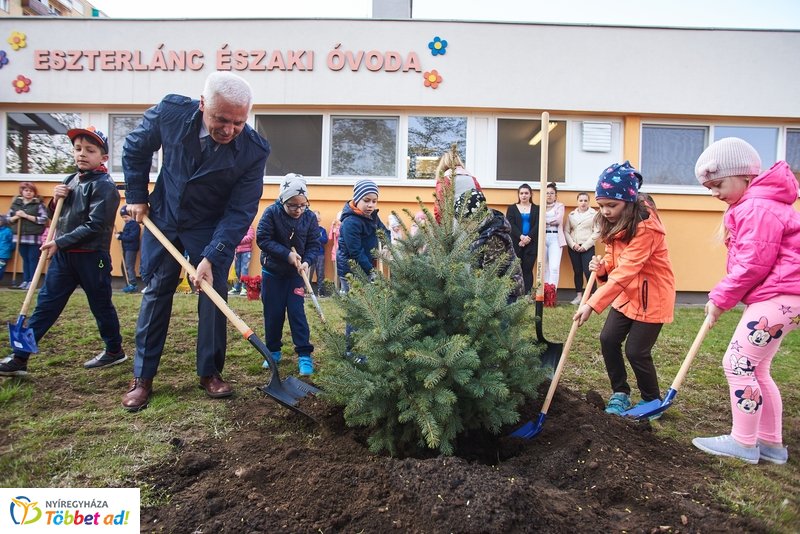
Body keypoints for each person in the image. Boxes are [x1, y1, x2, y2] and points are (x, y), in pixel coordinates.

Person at [120, 72, 270, 412]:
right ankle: (143, 377)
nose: (229, 130)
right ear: (203, 104)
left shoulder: (253, 150)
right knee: (157, 291)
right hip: (165, 215)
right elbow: (135, 148)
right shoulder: (171, 113)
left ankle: (210, 372)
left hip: (210, 225)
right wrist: (136, 195)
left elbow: (241, 210)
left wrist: (212, 255)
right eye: (221, 119)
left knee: (213, 294)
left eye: (238, 122)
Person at [689, 138, 800, 465]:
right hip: (785, 297)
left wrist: (720, 298)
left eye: (718, 184)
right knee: (758, 367)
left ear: (744, 176)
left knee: (737, 362)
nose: (714, 193)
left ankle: (743, 442)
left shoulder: (756, 207)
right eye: (709, 188)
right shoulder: (759, 203)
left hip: (781, 296)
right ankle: (770, 444)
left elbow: (753, 264)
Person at [0, 127, 125, 376]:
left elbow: (95, 225)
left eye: (90, 150)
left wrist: (61, 242)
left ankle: (114, 350)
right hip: (64, 256)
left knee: (101, 305)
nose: (82, 154)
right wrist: (54, 201)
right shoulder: (70, 180)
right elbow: (56, 216)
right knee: (46, 304)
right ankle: (20, 356)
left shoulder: (105, 186)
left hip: (92, 257)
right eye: (78, 149)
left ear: (103, 157)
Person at [573, 162, 675, 416]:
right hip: (626, 293)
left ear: (628, 201)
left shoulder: (647, 228)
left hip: (652, 297)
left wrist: (592, 303)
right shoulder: (615, 221)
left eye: (611, 205)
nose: (605, 211)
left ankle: (651, 400)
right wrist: (602, 267)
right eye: (601, 205)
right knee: (608, 339)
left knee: (636, 351)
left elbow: (628, 269)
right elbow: (614, 258)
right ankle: (620, 393)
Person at [256, 174, 319, 376]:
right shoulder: (271, 213)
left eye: (302, 205)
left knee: (297, 313)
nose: (298, 210)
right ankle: (273, 351)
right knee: (273, 314)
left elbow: (314, 245)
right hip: (272, 273)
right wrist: (287, 255)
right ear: (283, 200)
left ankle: (304, 354)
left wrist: (307, 262)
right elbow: (263, 239)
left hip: (295, 276)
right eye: (292, 205)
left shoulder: (309, 217)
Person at [337, 179, 388, 357]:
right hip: (351, 270)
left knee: (367, 307)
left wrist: (387, 244)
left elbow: (384, 231)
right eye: (366, 200)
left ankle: (365, 347)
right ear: (357, 199)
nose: (371, 205)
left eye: (374, 201)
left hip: (366, 268)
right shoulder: (351, 222)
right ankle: (352, 351)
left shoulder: (372, 216)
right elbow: (356, 252)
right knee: (356, 311)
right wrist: (372, 272)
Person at [455, 176, 524, 303]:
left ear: (476, 217)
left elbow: (490, 273)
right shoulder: (481, 230)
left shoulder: (494, 236)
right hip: (490, 291)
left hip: (504, 292)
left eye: (465, 221)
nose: (463, 226)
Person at [5, 182, 48, 290]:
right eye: (26, 190)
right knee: (25, 259)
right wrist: (16, 216)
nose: (28, 193)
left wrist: (26, 216)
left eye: (31, 191)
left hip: (34, 237)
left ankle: (32, 281)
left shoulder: (38, 204)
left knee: (33, 259)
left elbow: (43, 219)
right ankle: (25, 280)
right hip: (19, 237)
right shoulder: (16, 204)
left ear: (34, 193)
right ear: (22, 192)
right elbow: (8, 219)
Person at [565, 192, 599, 305]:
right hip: (574, 247)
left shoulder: (594, 214)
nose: (583, 203)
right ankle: (579, 296)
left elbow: (597, 231)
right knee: (577, 271)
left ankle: (592, 296)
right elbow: (566, 231)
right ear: (577, 202)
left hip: (587, 247)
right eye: (581, 200)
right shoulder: (571, 215)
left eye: (585, 200)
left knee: (589, 272)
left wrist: (585, 246)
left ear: (588, 202)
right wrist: (572, 244)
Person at [505, 183, 539, 295]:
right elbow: (510, 224)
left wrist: (528, 237)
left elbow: (538, 225)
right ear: (518, 195)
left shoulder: (536, 209)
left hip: (531, 243)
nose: (524, 195)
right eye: (521, 193)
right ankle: (514, 295)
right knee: (514, 270)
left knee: (527, 270)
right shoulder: (512, 208)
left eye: (526, 193)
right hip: (516, 243)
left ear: (530, 194)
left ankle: (527, 295)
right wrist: (521, 237)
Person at [433, 146, 481, 224]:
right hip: (473, 224)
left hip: (451, 225)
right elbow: (481, 203)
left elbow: (440, 208)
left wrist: (441, 226)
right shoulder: (472, 179)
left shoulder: (445, 179)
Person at [543, 182, 566, 303]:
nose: (549, 195)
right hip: (543, 238)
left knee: (554, 267)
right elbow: (539, 220)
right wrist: (549, 221)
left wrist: (546, 221)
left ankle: (552, 296)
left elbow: (558, 220)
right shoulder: (541, 206)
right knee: (544, 268)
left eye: (552, 193)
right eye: (547, 193)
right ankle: (543, 295)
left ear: (555, 195)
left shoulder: (560, 206)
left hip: (555, 238)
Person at [117, 205, 141, 293]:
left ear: (131, 215)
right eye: (123, 217)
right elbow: (127, 234)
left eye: (126, 217)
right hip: (126, 248)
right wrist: (121, 234)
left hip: (131, 249)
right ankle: (128, 284)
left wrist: (121, 237)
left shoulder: (135, 225)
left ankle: (133, 285)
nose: (124, 219)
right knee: (123, 266)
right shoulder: (128, 224)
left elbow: (132, 237)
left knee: (129, 266)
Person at [229, 225, 255, 296]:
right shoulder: (236, 227)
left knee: (244, 270)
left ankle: (244, 288)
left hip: (246, 252)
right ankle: (236, 288)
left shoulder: (249, 226)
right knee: (236, 270)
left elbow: (250, 237)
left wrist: (238, 240)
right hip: (236, 252)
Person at [309, 210, 329, 296]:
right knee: (308, 273)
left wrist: (317, 237)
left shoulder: (322, 230)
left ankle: (321, 292)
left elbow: (325, 240)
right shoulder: (308, 229)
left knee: (320, 273)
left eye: (317, 218)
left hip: (320, 254)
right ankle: (307, 291)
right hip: (309, 254)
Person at [329, 212, 342, 292]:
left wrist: (337, 230)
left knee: (343, 272)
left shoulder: (345, 226)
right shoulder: (335, 226)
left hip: (343, 251)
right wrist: (332, 227)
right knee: (336, 272)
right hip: (335, 251)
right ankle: (336, 289)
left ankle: (343, 289)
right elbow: (330, 237)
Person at [0, 216, 12, 283]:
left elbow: (12, 242)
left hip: (3, 254)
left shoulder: (8, 231)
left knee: (0, 268)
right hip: (4, 252)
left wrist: (8, 249)